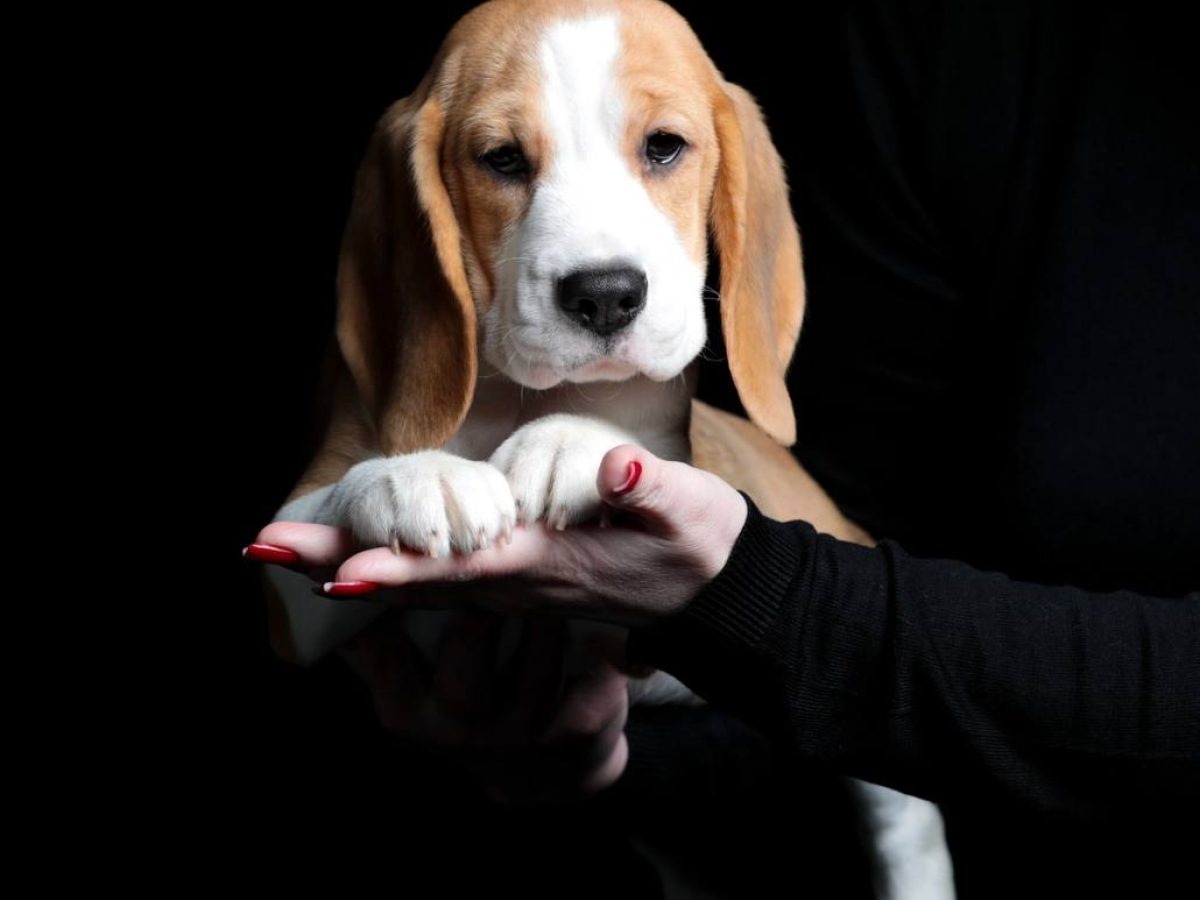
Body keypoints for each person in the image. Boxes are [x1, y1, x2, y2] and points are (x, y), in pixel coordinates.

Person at [250, 2, 1198, 897]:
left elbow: (829, 624)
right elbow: (296, 622)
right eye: (504, 157)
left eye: (662, 147)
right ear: (428, 193)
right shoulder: (947, 52)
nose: (601, 268)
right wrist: (372, 492)